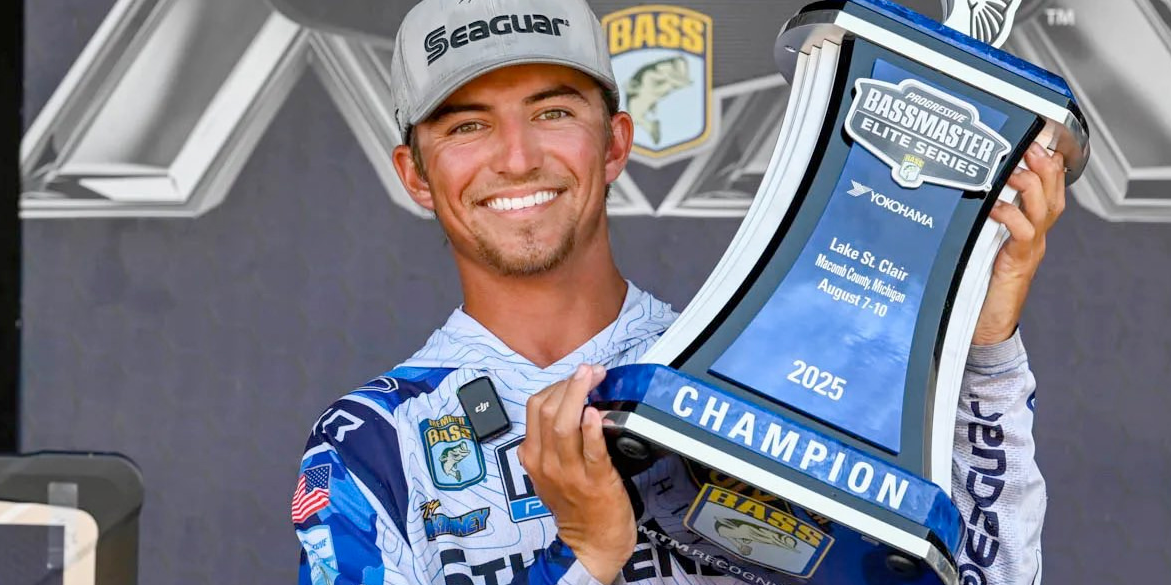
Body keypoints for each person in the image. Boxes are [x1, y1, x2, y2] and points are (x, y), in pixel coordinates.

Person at [292, 0, 1067, 583]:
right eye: (468, 126)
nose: (518, 157)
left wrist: (983, 350)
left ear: (615, 143)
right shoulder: (372, 442)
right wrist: (588, 552)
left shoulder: (744, 381)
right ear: (415, 175)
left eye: (553, 111)